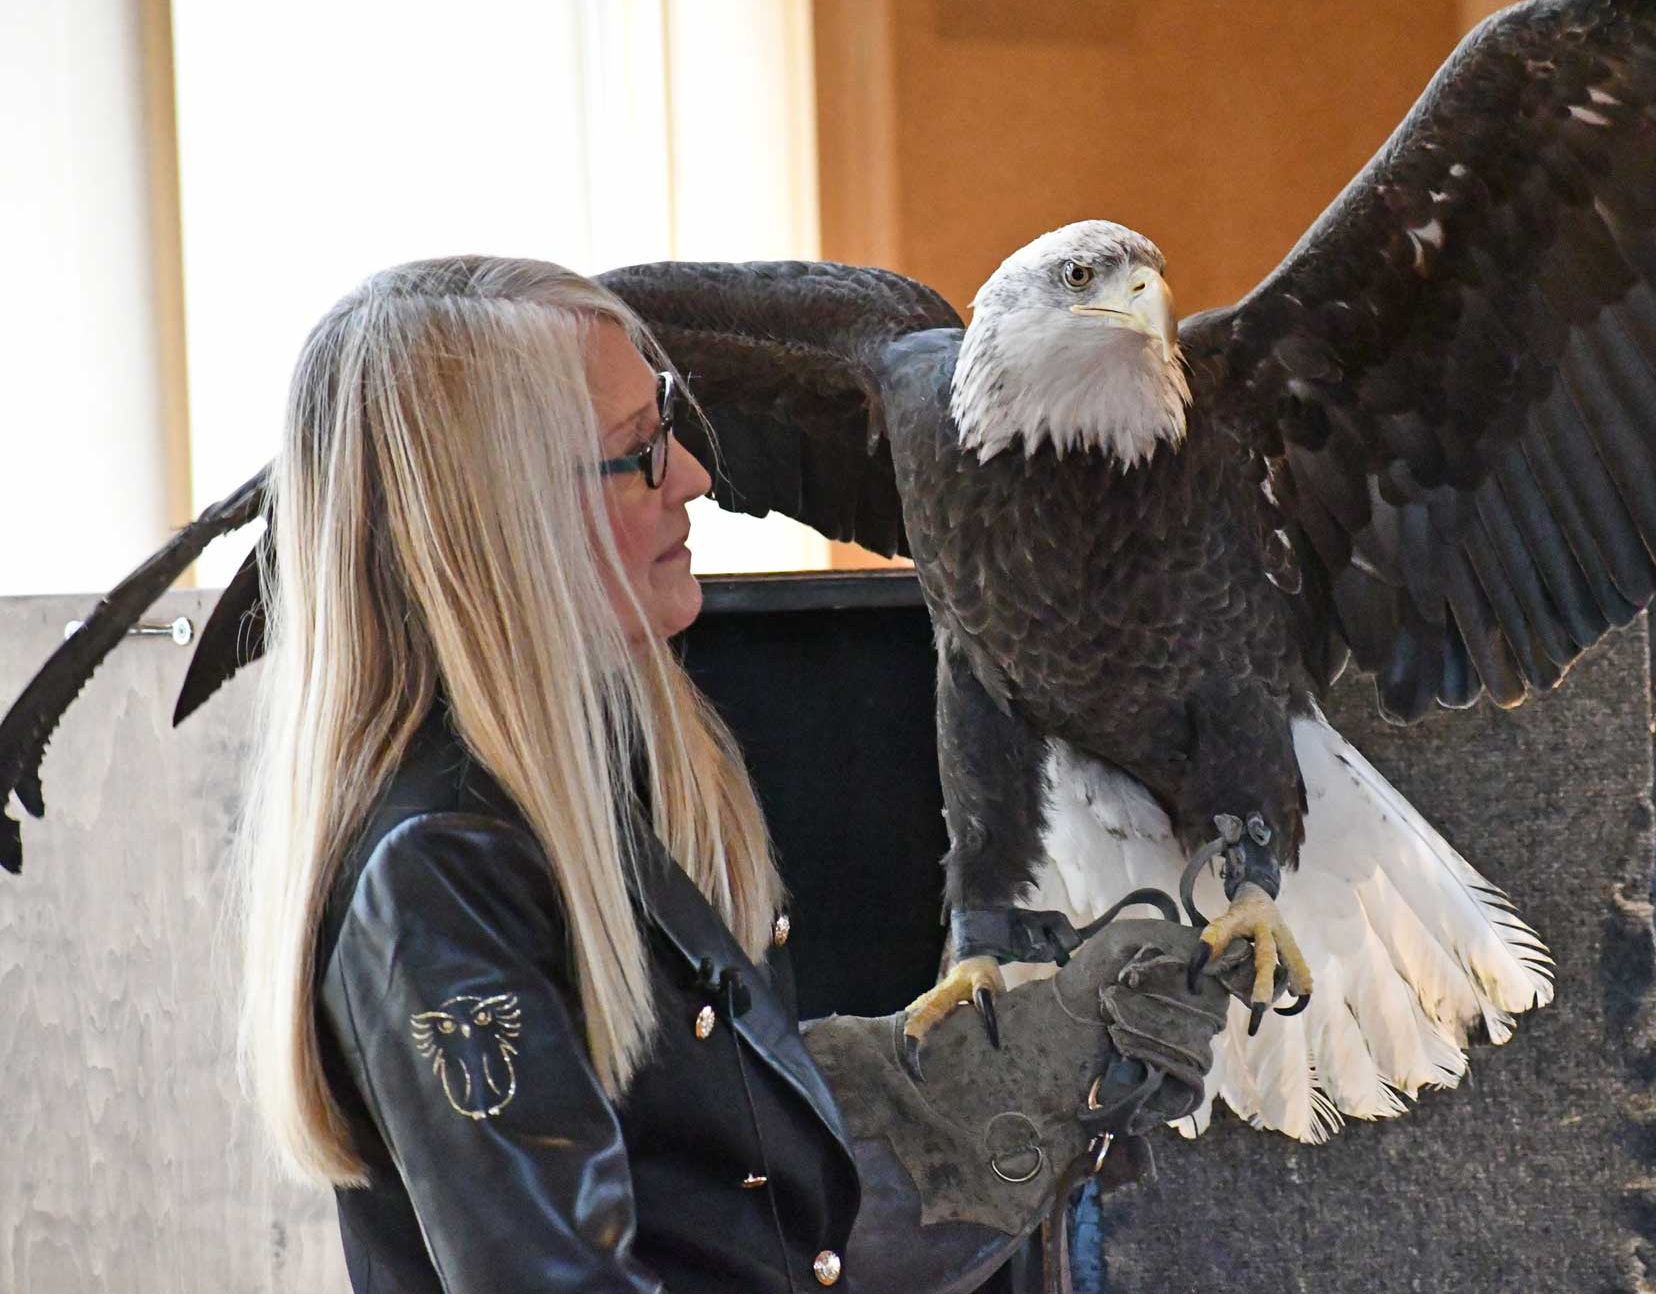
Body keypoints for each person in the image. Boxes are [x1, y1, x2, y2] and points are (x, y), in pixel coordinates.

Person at [234, 255, 1238, 1293]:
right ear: (499, 516)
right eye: (636, 453)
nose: (694, 477)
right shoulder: (442, 874)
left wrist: (943, 1094)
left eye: (667, 425)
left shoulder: (589, 791)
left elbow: (715, 1203)